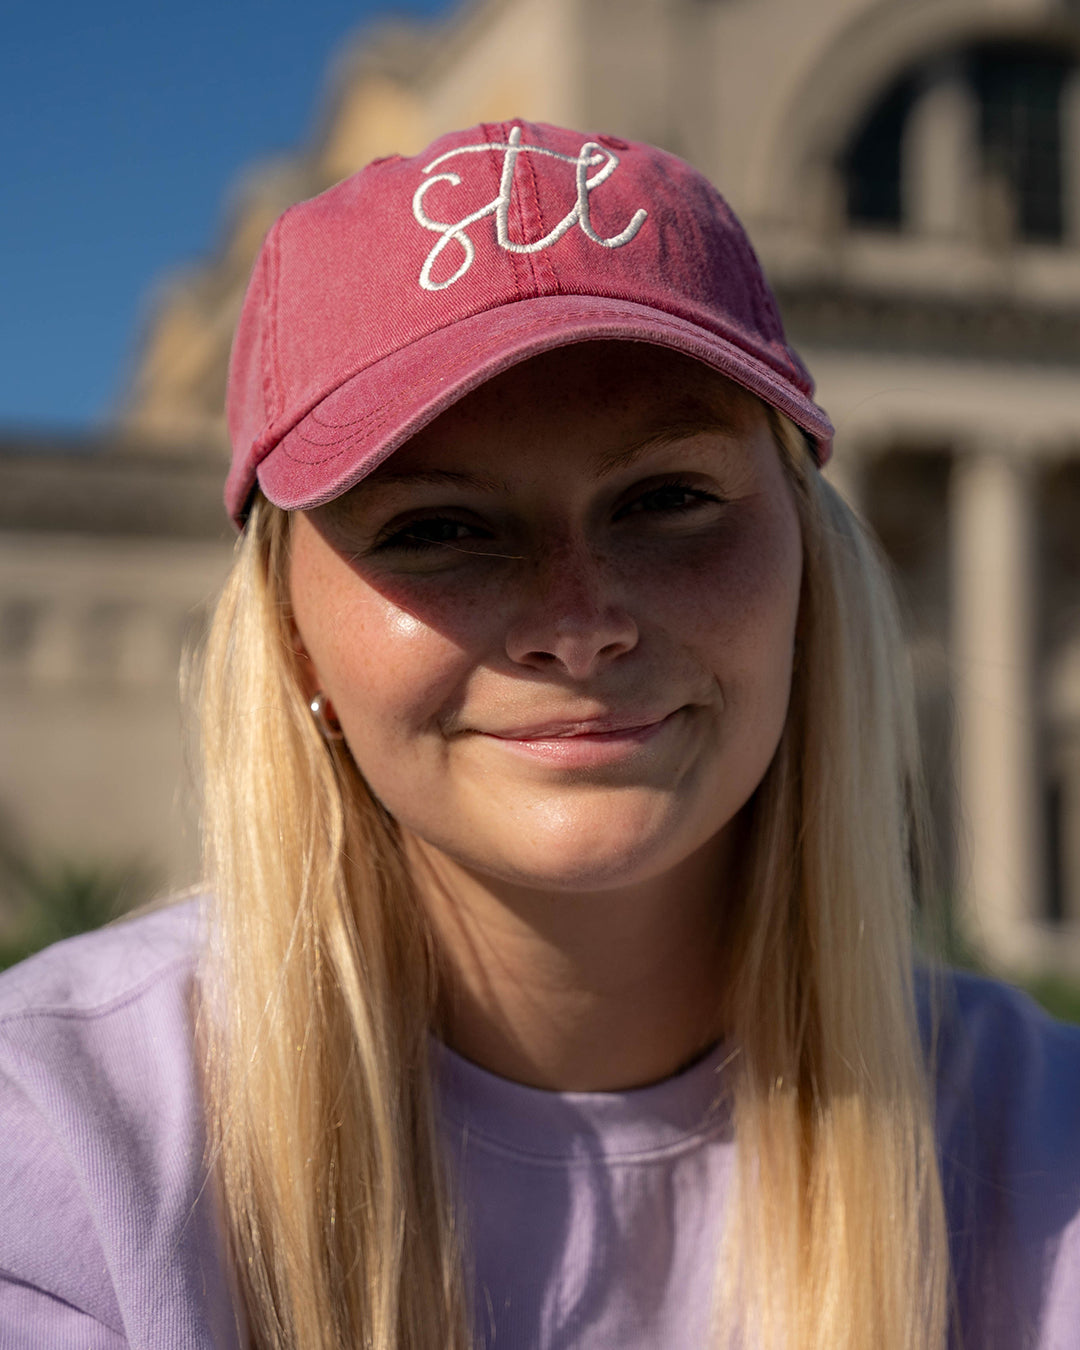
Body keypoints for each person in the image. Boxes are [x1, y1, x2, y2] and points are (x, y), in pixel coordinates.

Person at [1, 119, 1079, 1350]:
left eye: (669, 499)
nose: (578, 625)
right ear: (295, 635)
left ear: (807, 569)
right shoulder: (56, 1149)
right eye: (440, 529)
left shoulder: (1050, 1144)